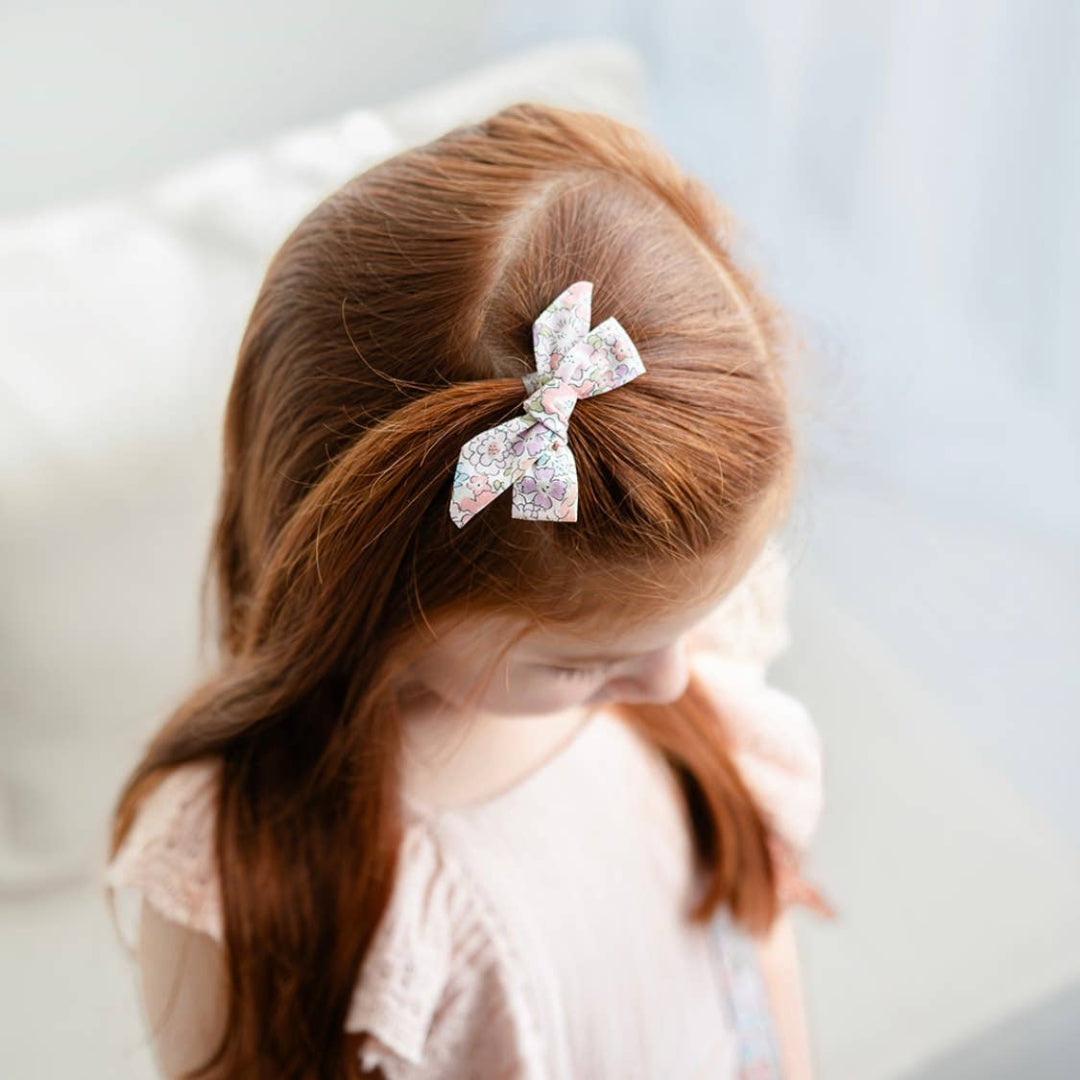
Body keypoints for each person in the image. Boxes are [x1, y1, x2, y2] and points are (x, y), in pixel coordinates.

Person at [102, 101, 836, 1080]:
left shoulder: (690, 677)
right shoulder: (248, 875)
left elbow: (753, 946)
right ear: (377, 598)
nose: (670, 680)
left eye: (683, 628)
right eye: (579, 665)